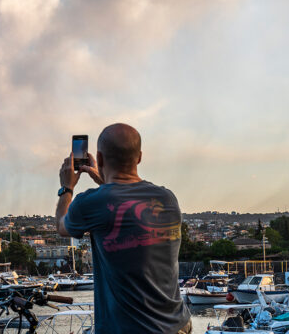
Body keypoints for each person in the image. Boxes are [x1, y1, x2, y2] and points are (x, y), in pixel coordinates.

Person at [55, 123, 191, 333]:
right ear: (139, 157)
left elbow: (62, 225)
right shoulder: (167, 199)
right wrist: (104, 181)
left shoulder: (90, 203)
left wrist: (67, 187)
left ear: (99, 159)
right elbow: (122, 202)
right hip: (178, 326)